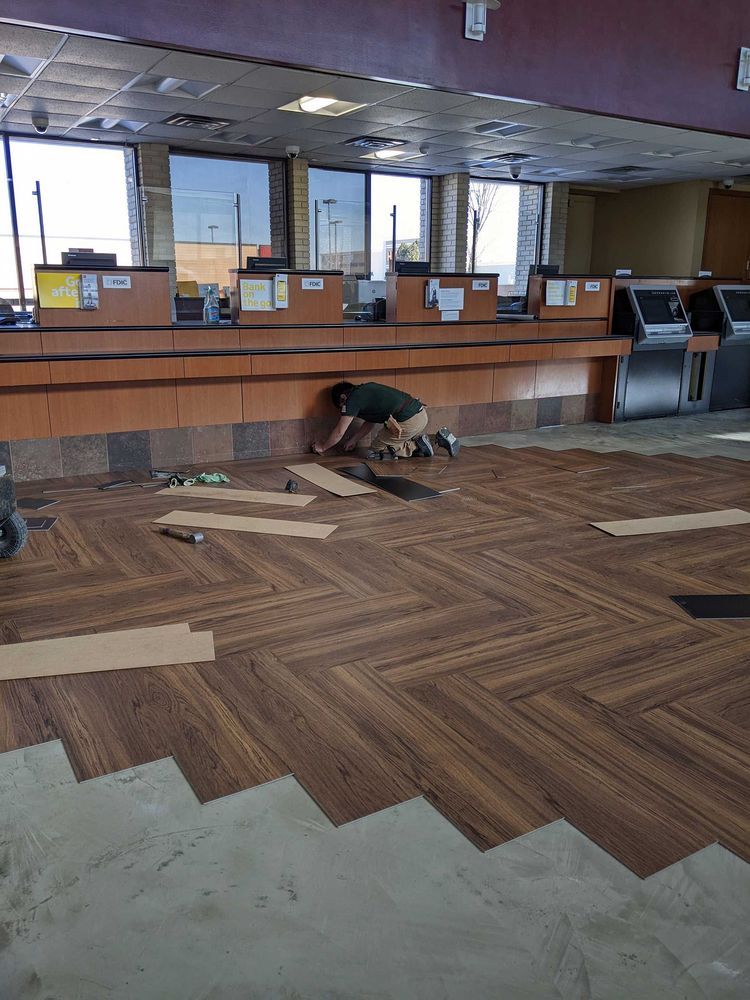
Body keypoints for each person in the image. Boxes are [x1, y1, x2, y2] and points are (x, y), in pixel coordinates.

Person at [312, 381, 460, 460]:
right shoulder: (366, 390)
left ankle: (418, 445)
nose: (344, 410)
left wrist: (323, 447)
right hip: (419, 415)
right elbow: (369, 423)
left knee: (376, 451)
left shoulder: (352, 400)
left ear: (343, 398)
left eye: (341, 407)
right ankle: (436, 437)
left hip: (407, 421)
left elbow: (339, 432)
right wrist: (354, 440)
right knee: (394, 440)